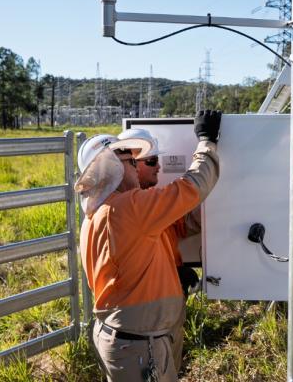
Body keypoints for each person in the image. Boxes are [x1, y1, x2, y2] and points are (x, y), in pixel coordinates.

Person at [75, 110, 222, 382]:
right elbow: (191, 188)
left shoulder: (97, 214)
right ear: (112, 167)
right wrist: (207, 141)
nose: (135, 165)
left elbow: (143, 252)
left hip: (125, 340)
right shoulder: (129, 208)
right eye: (130, 161)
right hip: (139, 345)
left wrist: (170, 273)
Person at [115, 128, 201, 295]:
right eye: (152, 161)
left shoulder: (149, 203)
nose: (159, 166)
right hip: (148, 310)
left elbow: (182, 224)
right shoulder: (128, 209)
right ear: (131, 164)